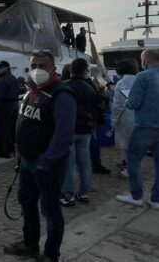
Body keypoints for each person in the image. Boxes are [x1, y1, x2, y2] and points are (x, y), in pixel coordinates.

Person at [3, 50, 76, 262]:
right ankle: (30, 244)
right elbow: (24, 121)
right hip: (27, 159)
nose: (37, 70)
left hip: (48, 163)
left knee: (50, 209)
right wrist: (19, 149)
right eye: (33, 65)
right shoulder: (32, 91)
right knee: (27, 201)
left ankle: (51, 254)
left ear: (53, 68)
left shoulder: (62, 94)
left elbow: (64, 134)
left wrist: (46, 162)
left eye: (42, 66)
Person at [116, 49, 159, 210]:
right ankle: (156, 200)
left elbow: (133, 103)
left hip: (145, 126)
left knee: (133, 160)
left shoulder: (143, 76)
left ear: (145, 61)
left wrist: (126, 101)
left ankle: (136, 196)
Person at [60, 58, 100, 207]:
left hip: (69, 128)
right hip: (86, 128)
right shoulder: (91, 87)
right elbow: (97, 107)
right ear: (86, 70)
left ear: (71, 70)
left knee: (69, 163)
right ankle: (84, 192)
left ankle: (68, 195)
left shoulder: (63, 86)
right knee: (85, 162)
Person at [111, 59, 138, 177]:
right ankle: (132, 167)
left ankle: (130, 169)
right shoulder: (139, 80)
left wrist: (113, 120)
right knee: (135, 145)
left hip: (125, 117)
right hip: (139, 116)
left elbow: (118, 104)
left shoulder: (122, 83)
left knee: (127, 146)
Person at [0, 60, 19, 159]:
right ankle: (13, 148)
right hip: (14, 106)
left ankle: (5, 151)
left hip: (4, 107)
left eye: (0, 67)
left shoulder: (2, 81)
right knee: (12, 129)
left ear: (7, 68)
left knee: (4, 129)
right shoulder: (14, 79)